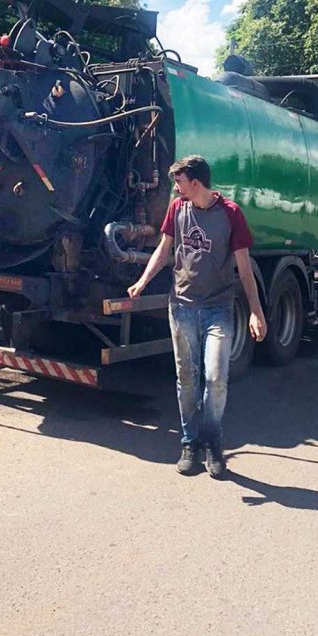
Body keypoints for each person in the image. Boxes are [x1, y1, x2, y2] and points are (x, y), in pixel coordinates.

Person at [128, 154, 267, 479]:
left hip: (218, 308)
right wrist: (142, 281)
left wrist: (256, 312)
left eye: (179, 182)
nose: (175, 188)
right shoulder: (178, 209)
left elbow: (244, 270)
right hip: (181, 306)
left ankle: (212, 441)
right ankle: (190, 444)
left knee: (216, 377)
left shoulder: (230, 214)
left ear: (196, 182)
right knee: (187, 379)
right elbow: (164, 251)